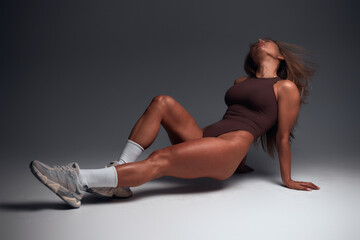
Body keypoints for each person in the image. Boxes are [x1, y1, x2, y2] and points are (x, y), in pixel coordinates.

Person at [30, 37, 320, 208]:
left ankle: (77, 180)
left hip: (228, 146)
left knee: (160, 158)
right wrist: (243, 164)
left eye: (266, 39)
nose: (259, 39)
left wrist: (287, 179)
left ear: (279, 55)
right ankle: (118, 176)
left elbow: (280, 135)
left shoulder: (285, 88)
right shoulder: (241, 81)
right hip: (206, 137)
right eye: (257, 40)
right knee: (162, 101)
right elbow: (241, 113)